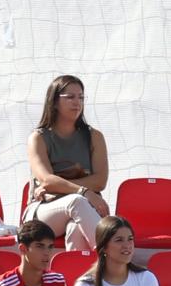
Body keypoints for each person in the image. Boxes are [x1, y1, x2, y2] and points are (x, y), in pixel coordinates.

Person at [24, 74, 111, 250]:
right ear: (54, 101)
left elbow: (100, 181)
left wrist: (58, 184)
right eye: (70, 97)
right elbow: (47, 180)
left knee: (76, 228)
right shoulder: (38, 138)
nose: (77, 102)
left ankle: (77, 277)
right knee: (77, 201)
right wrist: (84, 191)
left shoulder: (94, 137)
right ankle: (112, 261)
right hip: (43, 211)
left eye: (81, 97)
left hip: (84, 210)